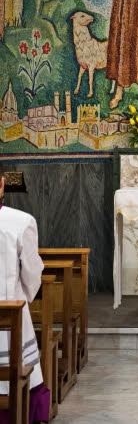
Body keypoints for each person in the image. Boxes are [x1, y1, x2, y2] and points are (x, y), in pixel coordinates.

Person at [0, 162, 50, 423]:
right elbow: (32, 273)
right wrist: (23, 300)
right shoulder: (20, 222)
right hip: (9, 315)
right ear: (1, 184)